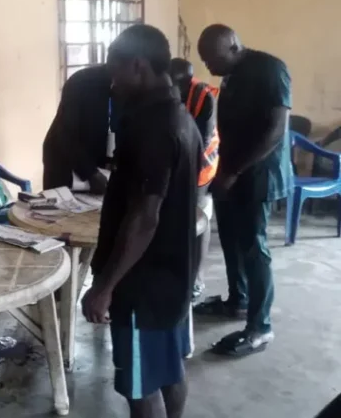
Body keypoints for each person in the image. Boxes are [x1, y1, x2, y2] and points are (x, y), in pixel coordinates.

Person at [82, 25, 201, 418]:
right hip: (172, 279)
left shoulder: (153, 128)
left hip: (142, 286)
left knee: (141, 387)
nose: (113, 85)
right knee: (169, 370)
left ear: (138, 66)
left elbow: (145, 217)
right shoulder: (182, 118)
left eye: (116, 74)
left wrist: (104, 286)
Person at [194, 24, 292, 357]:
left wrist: (234, 171)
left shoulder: (271, 69)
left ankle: (260, 327)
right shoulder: (231, 73)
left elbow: (276, 131)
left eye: (213, 59)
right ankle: (238, 301)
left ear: (234, 46)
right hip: (231, 173)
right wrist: (223, 170)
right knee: (232, 241)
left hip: (258, 174)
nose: (210, 68)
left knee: (254, 247)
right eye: (205, 62)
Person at [169, 58, 219, 300]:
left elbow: (202, 140)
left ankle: (196, 278)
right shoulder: (166, 91)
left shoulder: (204, 97)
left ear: (188, 82)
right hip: (176, 162)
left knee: (198, 217)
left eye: (177, 83)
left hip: (201, 165)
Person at [42, 65, 117, 193]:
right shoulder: (82, 82)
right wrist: (91, 173)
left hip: (98, 165)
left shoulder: (133, 88)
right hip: (63, 161)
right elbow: (65, 133)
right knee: (62, 211)